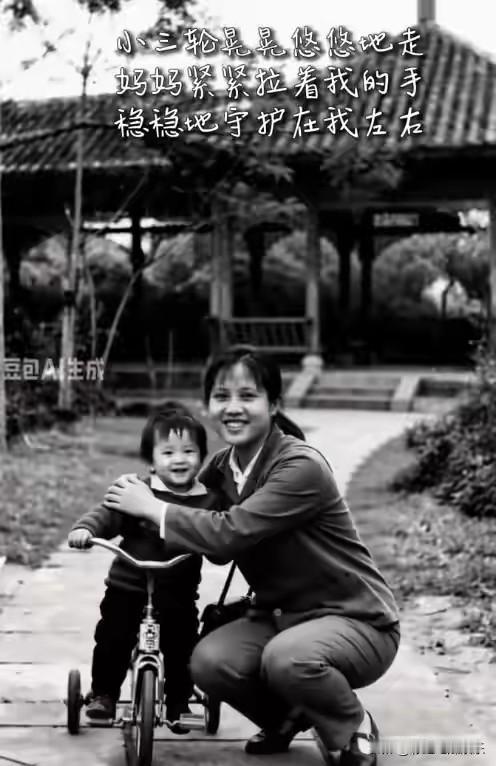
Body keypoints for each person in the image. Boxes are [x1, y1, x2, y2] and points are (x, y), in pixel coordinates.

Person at [102, 348, 401, 766]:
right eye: (221, 396)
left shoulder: (299, 466)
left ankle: (353, 727)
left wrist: (153, 507)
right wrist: (130, 513)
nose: (233, 408)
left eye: (247, 396)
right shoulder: (220, 468)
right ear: (207, 405)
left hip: (355, 619)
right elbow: (202, 532)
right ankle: (285, 718)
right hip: (281, 617)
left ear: (274, 404)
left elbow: (229, 533)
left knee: (289, 659)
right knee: (207, 661)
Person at [68, 404, 220, 732]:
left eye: (189, 451)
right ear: (151, 461)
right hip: (128, 585)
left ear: (201, 457)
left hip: (177, 592)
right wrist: (86, 529)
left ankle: (179, 703)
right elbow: (106, 513)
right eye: (168, 452)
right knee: (112, 638)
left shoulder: (208, 500)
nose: (179, 459)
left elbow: (221, 529)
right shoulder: (137, 490)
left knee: (182, 648)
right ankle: (104, 695)